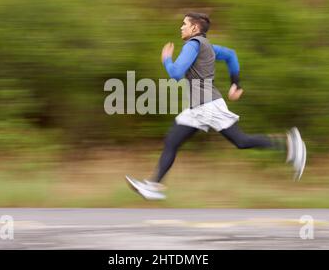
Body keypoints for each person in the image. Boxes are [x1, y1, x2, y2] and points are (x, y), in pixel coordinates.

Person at [126, 12, 306, 200]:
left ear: (194, 28)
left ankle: (289, 144)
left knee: (241, 141)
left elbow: (176, 74)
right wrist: (236, 83)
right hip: (198, 108)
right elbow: (231, 55)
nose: (181, 27)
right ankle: (153, 186)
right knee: (172, 141)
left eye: (184, 24)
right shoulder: (208, 46)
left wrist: (166, 59)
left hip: (207, 106)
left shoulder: (193, 45)